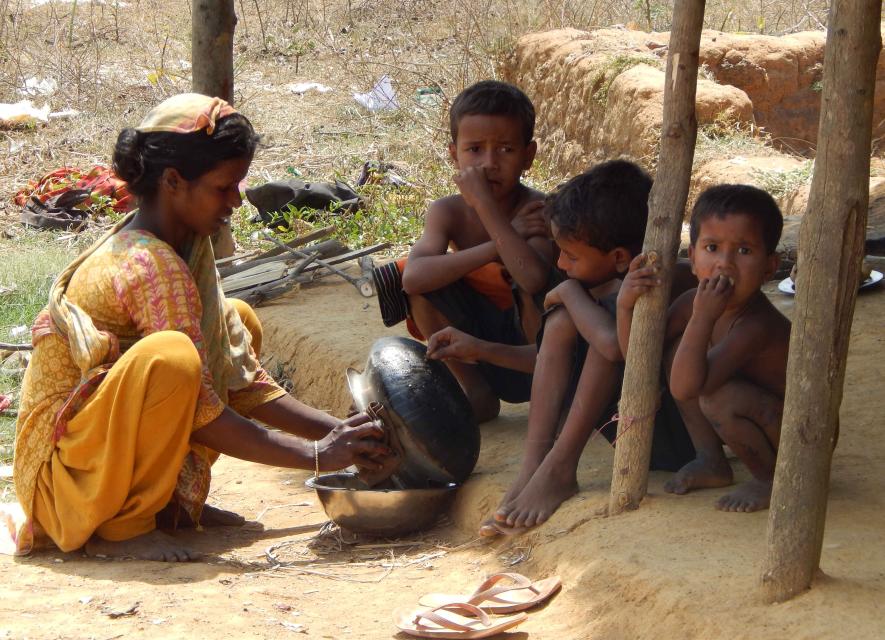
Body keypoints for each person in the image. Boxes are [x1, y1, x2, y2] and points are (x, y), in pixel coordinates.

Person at [4, 94, 390, 562]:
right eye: (224, 186)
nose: (236, 200)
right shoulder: (150, 266)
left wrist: (341, 435)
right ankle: (123, 526)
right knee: (173, 359)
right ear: (172, 181)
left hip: (89, 458)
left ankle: (167, 502)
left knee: (236, 324)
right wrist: (318, 456)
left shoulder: (188, 249)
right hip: (61, 484)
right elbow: (203, 412)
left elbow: (241, 382)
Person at [487, 160, 696, 535]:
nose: (561, 264)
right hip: (638, 425)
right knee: (566, 319)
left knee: (587, 317)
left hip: (677, 444)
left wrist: (567, 292)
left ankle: (560, 467)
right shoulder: (607, 279)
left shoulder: (657, 281)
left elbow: (613, 347)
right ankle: (535, 465)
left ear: (618, 257)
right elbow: (550, 360)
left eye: (571, 256)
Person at [618, 184, 789, 512]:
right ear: (693, 258)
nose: (724, 264)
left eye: (744, 251)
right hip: (751, 419)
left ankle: (769, 478)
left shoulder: (756, 325)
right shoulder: (689, 304)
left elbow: (686, 387)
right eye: (712, 247)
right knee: (677, 351)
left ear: (770, 266)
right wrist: (626, 307)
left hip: (793, 435)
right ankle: (711, 460)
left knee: (715, 394)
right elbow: (640, 362)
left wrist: (702, 318)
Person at [399, 80, 556, 423]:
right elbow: (413, 278)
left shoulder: (538, 211)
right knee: (413, 280)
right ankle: (475, 390)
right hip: (474, 347)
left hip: (537, 355)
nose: (489, 163)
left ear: (528, 156)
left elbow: (532, 279)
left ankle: (552, 400)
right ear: (454, 153)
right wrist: (496, 245)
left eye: (505, 149)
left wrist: (485, 205)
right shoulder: (448, 211)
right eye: (474, 150)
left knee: (528, 284)